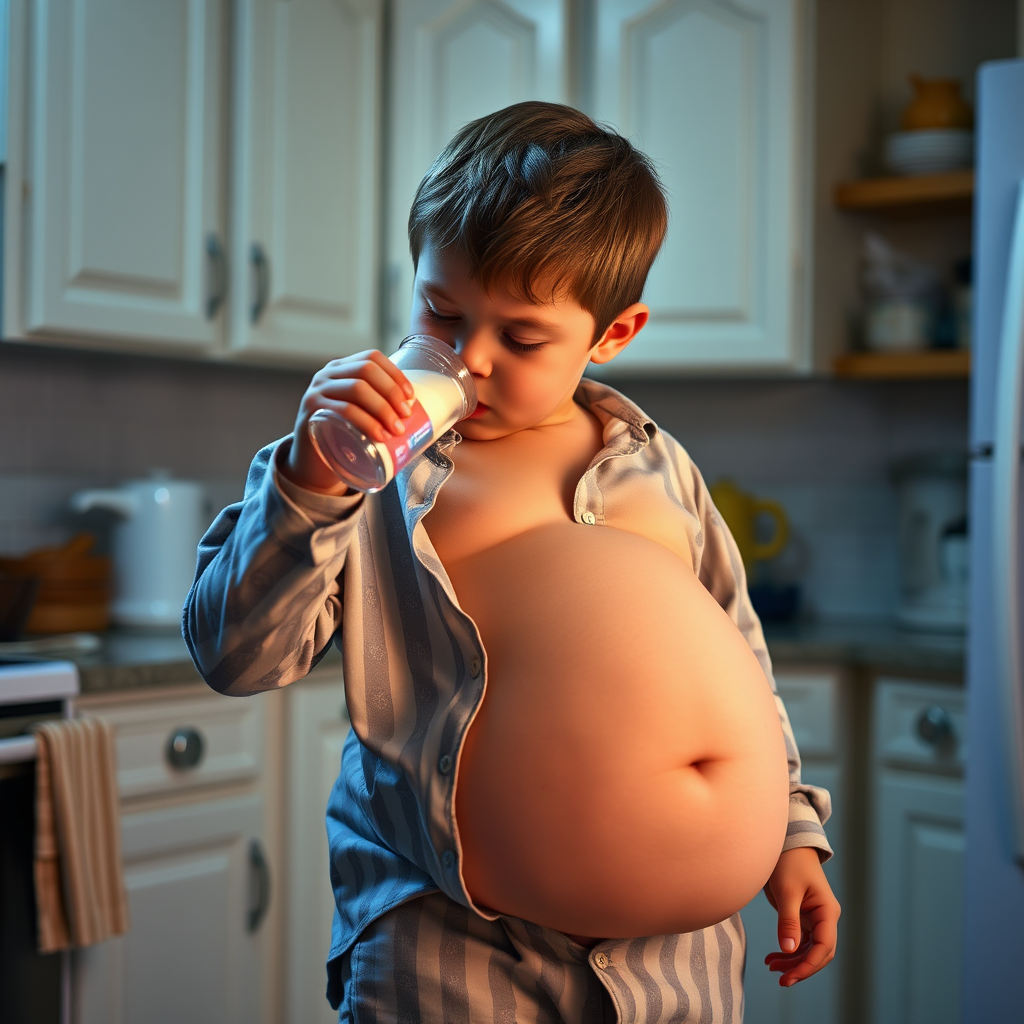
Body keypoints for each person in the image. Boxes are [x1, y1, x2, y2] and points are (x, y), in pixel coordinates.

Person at [183, 101, 840, 1023]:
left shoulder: (658, 464)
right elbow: (237, 656)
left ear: (613, 334)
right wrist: (306, 480)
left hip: (676, 969)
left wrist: (792, 835)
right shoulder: (357, 468)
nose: (471, 359)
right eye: (441, 312)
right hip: (455, 955)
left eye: (523, 337)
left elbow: (742, 656)